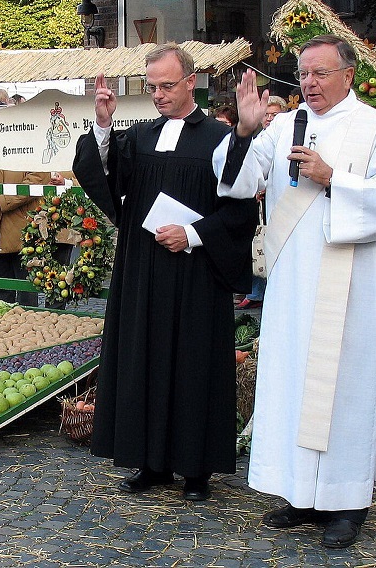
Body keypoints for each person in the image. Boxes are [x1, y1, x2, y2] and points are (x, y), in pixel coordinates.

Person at [223, 34, 376, 548]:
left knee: (345, 391)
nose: (308, 82)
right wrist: (243, 128)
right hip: (293, 288)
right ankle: (298, 494)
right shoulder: (284, 125)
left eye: (319, 73)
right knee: (293, 383)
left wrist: (334, 178)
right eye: (302, 73)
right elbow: (238, 183)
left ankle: (347, 504)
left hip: (351, 285)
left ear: (348, 76)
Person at [72, 43, 257, 502]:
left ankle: (196, 471)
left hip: (196, 274)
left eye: (167, 86)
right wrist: (102, 126)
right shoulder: (140, 137)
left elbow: (239, 211)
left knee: (192, 364)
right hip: (144, 271)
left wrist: (193, 235)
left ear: (190, 82)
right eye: (151, 86)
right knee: (145, 360)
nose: (158, 94)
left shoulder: (218, 137)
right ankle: (149, 462)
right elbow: (107, 183)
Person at [236, 95, 287, 311]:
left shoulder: (289, 134)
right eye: (266, 114)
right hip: (259, 207)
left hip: (281, 208)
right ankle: (255, 291)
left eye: (274, 114)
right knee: (257, 248)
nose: (269, 119)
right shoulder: (260, 138)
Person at [0, 150, 47, 306]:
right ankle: (0, 327)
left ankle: (29, 328)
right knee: (0, 292)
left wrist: (3, 201)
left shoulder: (31, 150)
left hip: (24, 234)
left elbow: (37, 179)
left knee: (27, 292)